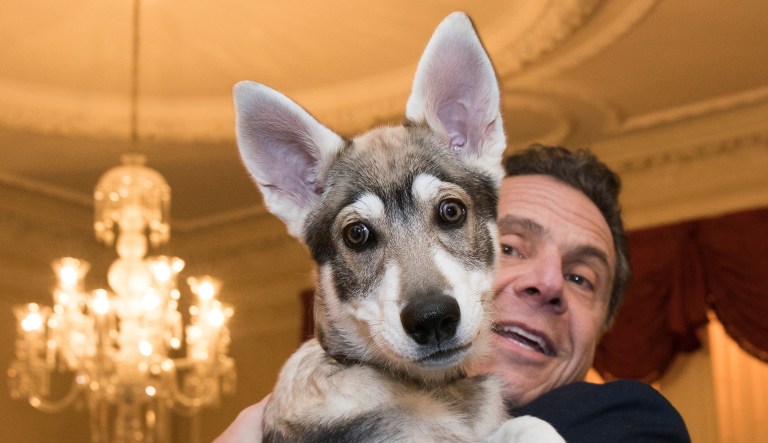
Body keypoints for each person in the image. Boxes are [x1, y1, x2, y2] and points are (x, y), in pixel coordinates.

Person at [215, 145, 691, 443]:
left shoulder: (624, 421)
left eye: (581, 278)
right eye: (508, 246)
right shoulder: (306, 410)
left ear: (605, 324)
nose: (547, 283)